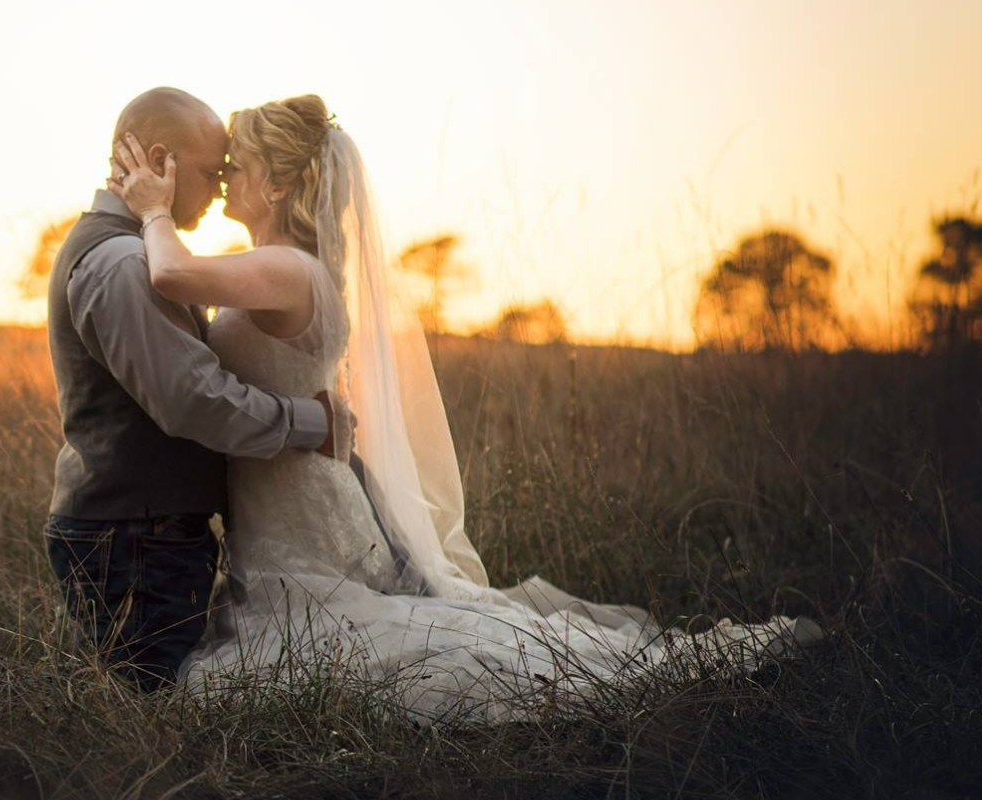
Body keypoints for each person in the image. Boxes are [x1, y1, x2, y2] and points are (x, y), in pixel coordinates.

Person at [106, 92, 826, 723]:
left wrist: (151, 209)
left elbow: (169, 271)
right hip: (299, 495)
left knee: (361, 652)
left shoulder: (288, 267)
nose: (229, 172)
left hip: (299, 514)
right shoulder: (284, 266)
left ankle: (679, 676)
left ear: (283, 180)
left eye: (245, 162)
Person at [41, 87, 361, 693]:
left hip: (153, 530)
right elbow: (193, 398)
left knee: (143, 694)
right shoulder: (124, 262)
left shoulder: (143, 252)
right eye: (213, 171)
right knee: (156, 704)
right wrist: (312, 423)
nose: (218, 188)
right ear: (160, 161)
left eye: (230, 171)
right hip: (136, 533)